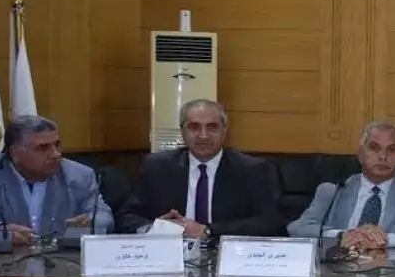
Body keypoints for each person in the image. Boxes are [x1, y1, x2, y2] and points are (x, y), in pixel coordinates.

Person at [117, 99, 282, 238]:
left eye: (212, 127)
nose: (203, 135)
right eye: (194, 127)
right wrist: (155, 229)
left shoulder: (253, 169)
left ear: (224, 130)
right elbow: (126, 216)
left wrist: (208, 230)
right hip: (171, 253)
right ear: (182, 131)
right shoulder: (157, 167)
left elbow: (270, 223)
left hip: (227, 254)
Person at [287, 120, 395, 251]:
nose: (383, 157)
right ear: (361, 154)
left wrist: (383, 239)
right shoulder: (334, 189)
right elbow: (298, 228)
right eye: (374, 148)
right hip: (340, 271)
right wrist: (343, 235)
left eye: (391, 150)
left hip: (394, 271)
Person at [0, 115, 112, 245]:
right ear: (15, 153)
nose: (56, 154)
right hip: (4, 260)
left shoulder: (79, 175)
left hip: (63, 258)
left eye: (57, 145)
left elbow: (104, 215)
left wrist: (91, 221)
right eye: (43, 148)